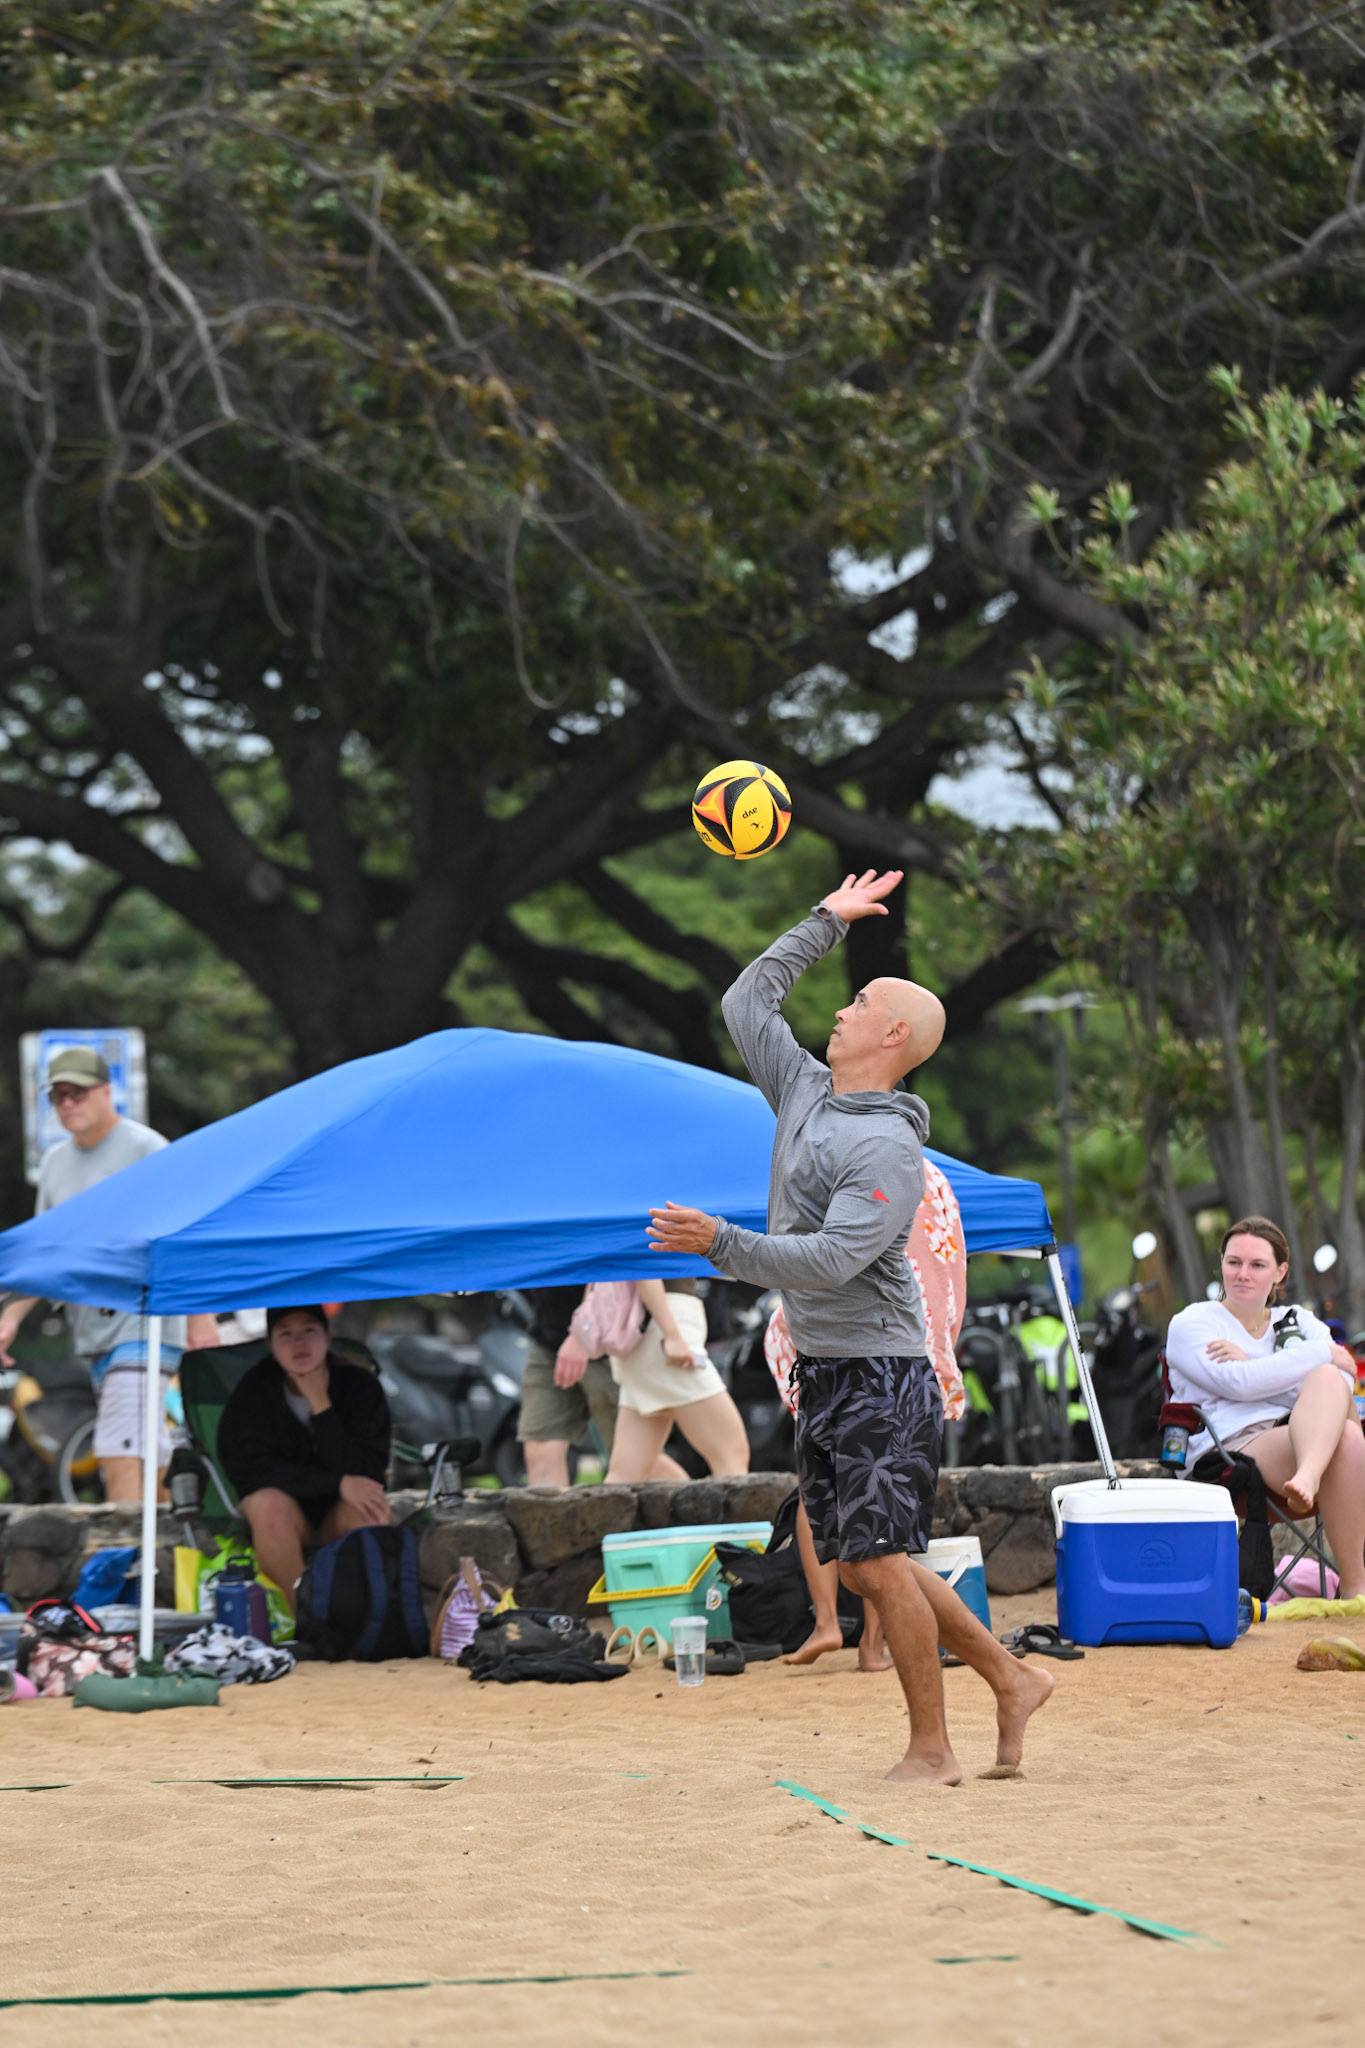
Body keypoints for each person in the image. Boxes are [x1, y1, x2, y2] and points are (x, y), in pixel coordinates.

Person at [648, 871, 1053, 1784]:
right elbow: (745, 1002)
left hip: (882, 1373)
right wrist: (824, 921)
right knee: (871, 1566)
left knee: (876, 1562)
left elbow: (831, 1259)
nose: (839, 1010)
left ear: (894, 1037)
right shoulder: (802, 1090)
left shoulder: (885, 1149)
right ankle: (1010, 1677)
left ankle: (932, 1749)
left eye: (861, 1003)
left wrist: (720, 1242)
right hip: (826, 1368)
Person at [769, 1156, 968, 1672]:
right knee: (880, 1500)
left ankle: (828, 1622)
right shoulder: (930, 1176)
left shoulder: (838, 1158)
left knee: (833, 1487)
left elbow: (813, 1251)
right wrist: (941, 1343)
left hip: (846, 1337)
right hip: (907, 1340)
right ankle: (871, 1643)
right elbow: (950, 1272)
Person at [0, 1046, 217, 1501]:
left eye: (77, 1093)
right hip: (92, 1330)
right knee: (147, 1448)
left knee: (118, 1447)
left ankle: (124, 1543)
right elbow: (47, 1253)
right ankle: (172, 1538)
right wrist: (10, 1318)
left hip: (144, 1319)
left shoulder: (146, 1149)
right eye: (58, 1096)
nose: (67, 1104)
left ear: (105, 1091)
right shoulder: (55, 1164)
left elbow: (184, 1231)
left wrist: (201, 1318)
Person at [1165, 1216, 1365, 1598]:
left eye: (1257, 1264)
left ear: (1280, 1271)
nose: (1243, 1274)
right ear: (1221, 1262)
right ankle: (1353, 1582)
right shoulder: (1192, 1323)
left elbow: (1342, 1380)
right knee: (1340, 1415)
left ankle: (1354, 1584)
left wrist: (1255, 1364)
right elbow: (1237, 1385)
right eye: (1234, 1262)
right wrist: (1315, 1357)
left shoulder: (1299, 1321)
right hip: (1229, 1447)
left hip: (1301, 1438)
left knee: (1339, 1408)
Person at [218, 1305, 392, 1614]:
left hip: (336, 1515)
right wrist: (337, 1483)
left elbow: (367, 1471)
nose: (299, 1343)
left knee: (370, 1508)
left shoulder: (360, 1386)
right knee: (268, 1504)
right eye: (286, 1334)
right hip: (280, 1517)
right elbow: (251, 1472)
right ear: (271, 1345)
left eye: (309, 1331)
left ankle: (362, 1624)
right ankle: (303, 1623)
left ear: (328, 1337)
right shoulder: (253, 1390)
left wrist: (321, 1405)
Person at [601, 1278, 749, 1484]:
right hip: (665, 1330)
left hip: (644, 1336)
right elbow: (645, 1271)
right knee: (731, 1456)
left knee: (626, 1474)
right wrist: (672, 1335)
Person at [517, 1285, 619, 1488]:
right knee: (541, 1449)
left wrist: (582, 1332)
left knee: (632, 1460)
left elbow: (607, 1272)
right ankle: (550, 1511)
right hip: (549, 1338)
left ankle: (686, 1505)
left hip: (612, 1340)